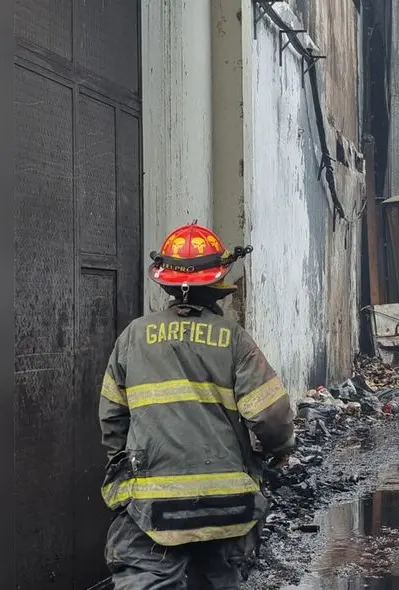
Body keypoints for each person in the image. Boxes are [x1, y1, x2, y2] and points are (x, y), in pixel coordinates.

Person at [99, 222, 296, 589]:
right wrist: (278, 451)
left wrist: (126, 472)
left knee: (148, 580)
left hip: (154, 510)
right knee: (218, 577)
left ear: (165, 282)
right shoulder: (234, 340)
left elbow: (112, 420)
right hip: (226, 505)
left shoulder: (133, 338)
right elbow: (273, 416)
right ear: (217, 285)